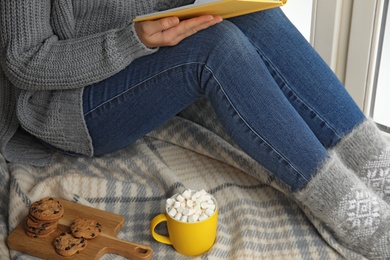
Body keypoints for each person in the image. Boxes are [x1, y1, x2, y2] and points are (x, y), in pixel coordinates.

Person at [1, 1, 390, 258]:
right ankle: (350, 210)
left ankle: (380, 167)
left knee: (258, 15)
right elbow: (24, 60)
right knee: (216, 45)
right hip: (69, 104)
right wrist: (131, 40)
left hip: (140, 61)